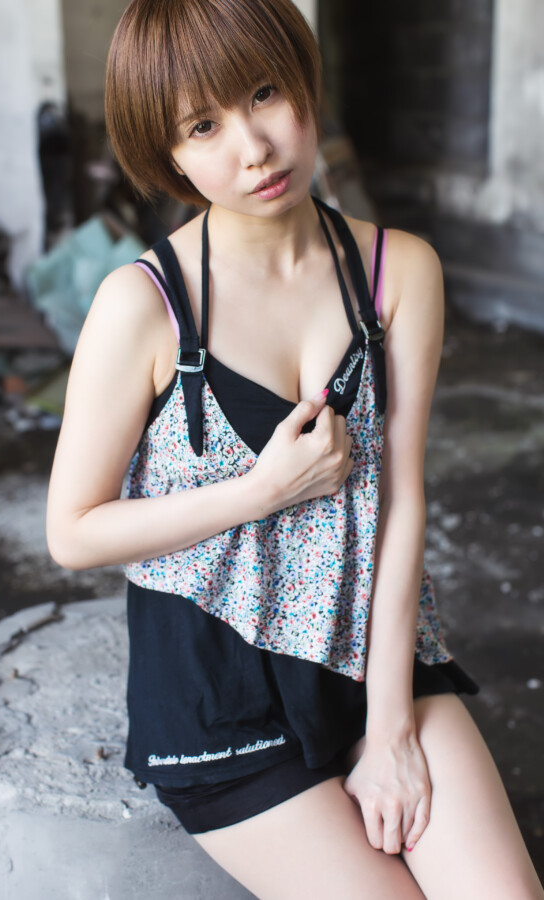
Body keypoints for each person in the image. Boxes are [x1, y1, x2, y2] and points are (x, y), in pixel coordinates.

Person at [46, 1, 544, 896]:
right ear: (169, 153)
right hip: (218, 695)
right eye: (204, 126)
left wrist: (391, 727)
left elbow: (401, 498)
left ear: (304, 82)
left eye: (265, 92)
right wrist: (259, 491)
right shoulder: (144, 305)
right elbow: (72, 531)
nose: (256, 147)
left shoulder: (399, 271)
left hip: (374, 656)